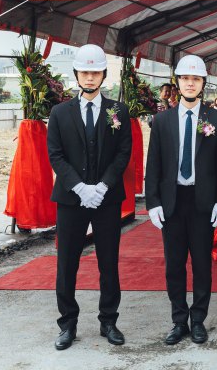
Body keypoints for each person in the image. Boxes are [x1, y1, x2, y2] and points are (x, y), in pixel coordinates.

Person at [47, 44, 132, 351]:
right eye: (85, 72)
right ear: (76, 74)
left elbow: (123, 152)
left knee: (108, 262)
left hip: (106, 199)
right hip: (71, 199)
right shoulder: (59, 113)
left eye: (95, 72)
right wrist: (80, 187)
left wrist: (103, 186)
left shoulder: (117, 111)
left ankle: (108, 321)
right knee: (67, 263)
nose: (90, 77)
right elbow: (56, 155)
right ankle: (67, 323)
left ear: (104, 75)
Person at [145, 55, 217, 346]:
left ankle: (198, 320)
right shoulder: (162, 120)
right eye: (185, 79)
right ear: (177, 83)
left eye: (195, 79)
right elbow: (154, 164)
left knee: (202, 265)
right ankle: (179, 320)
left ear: (203, 83)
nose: (190, 83)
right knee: (174, 265)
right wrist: (153, 202)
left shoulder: (215, 119)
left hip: (202, 201)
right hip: (172, 201)